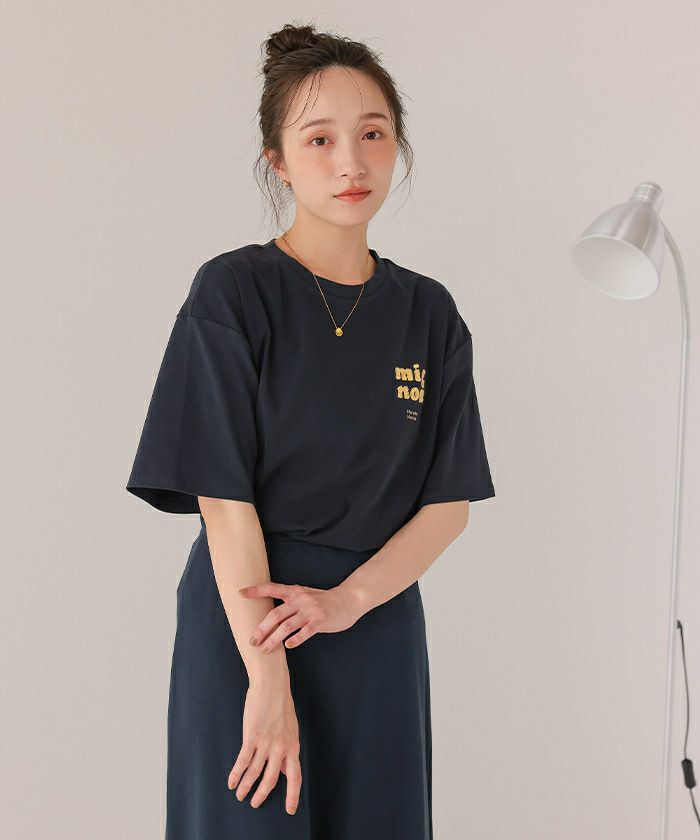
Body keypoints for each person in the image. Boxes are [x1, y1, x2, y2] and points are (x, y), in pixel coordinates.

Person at [126, 21, 495, 840]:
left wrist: (348, 602)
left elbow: (449, 504)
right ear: (279, 161)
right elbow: (223, 500)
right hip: (250, 620)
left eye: (373, 134)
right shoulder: (233, 292)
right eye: (320, 139)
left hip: (376, 618)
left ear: (398, 146)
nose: (350, 162)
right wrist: (267, 680)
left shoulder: (429, 313)